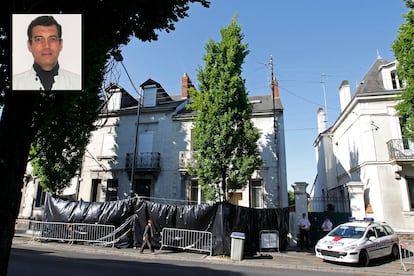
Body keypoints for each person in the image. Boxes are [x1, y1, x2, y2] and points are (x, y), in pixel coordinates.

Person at [13, 15, 81, 91]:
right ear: (29, 45)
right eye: (39, 39)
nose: (46, 46)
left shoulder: (78, 83)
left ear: (60, 44)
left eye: (52, 39)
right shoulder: (14, 84)